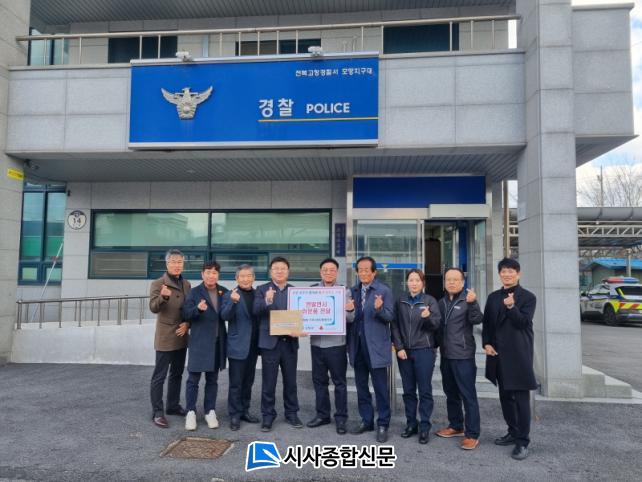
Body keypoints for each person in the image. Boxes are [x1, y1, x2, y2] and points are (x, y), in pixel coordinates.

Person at [482, 257, 537, 461]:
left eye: (511, 271)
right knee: (505, 396)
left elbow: (523, 323)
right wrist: (486, 343)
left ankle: (523, 441)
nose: (507, 274)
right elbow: (487, 324)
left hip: (518, 354)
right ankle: (512, 431)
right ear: (499, 274)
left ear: (518, 274)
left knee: (521, 400)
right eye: (503, 271)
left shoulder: (528, 297)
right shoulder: (493, 297)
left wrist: (512, 307)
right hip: (498, 354)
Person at [253, 256, 304, 432]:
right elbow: (256, 310)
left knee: (291, 382)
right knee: (269, 382)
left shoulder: (295, 291)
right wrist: (267, 300)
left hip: (289, 343)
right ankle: (268, 415)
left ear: (288, 271)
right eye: (276, 268)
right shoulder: (261, 289)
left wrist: (305, 327)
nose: (280, 271)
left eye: (283, 268)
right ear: (270, 272)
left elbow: (303, 314)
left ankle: (292, 413)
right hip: (270, 343)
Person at [435, 267, 483, 450]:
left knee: (468, 395)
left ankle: (472, 434)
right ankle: (456, 426)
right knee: (451, 393)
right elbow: (438, 327)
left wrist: (473, 303)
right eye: (448, 279)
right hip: (446, 355)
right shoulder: (441, 302)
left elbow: (477, 319)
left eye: (455, 279)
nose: (452, 282)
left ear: (462, 283)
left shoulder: (467, 299)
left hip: (463, 356)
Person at [391, 269, 441, 444]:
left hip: (424, 350)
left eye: (417, 280)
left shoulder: (430, 301)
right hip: (404, 351)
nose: (414, 283)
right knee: (408, 390)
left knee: (425, 390)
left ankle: (425, 426)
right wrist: (399, 347)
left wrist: (427, 317)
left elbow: (436, 325)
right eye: (411, 280)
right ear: (407, 282)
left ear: (422, 283)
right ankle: (411, 423)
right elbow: (395, 325)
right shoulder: (400, 300)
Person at [306, 258, 355, 435]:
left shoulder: (344, 291)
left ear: (337, 272)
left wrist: (349, 309)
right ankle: (322, 415)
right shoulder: (311, 291)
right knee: (319, 382)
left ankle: (341, 418)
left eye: (332, 270)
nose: (328, 273)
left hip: (336, 345)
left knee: (339, 383)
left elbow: (350, 319)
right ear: (321, 272)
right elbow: (303, 314)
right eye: (325, 270)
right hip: (317, 344)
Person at [348, 256, 395, 443]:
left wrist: (379, 309)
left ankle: (383, 423)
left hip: (376, 347)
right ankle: (366, 420)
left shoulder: (384, 290)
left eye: (367, 270)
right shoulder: (353, 290)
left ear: (374, 272)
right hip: (358, 345)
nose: (363, 273)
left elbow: (390, 317)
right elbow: (351, 318)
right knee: (361, 387)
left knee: (380, 388)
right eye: (360, 270)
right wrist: (349, 310)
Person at [181, 260, 228, 431]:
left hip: (217, 343)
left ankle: (210, 411)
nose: (211, 275)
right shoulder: (194, 292)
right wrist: (198, 309)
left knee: (212, 380)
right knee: (193, 380)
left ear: (218, 275)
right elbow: (185, 313)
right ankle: (190, 412)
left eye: (214, 272)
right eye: (208, 272)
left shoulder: (224, 292)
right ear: (202, 274)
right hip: (199, 342)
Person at [149, 249, 191, 428]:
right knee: (159, 376)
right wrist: (163, 298)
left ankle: (173, 406)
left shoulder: (187, 284)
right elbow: (153, 307)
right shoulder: (158, 283)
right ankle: (157, 412)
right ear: (167, 264)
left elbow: (189, 308)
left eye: (179, 262)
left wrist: (188, 323)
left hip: (181, 335)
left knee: (177, 373)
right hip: (166, 336)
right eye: (173, 262)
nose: (176, 265)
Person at [220, 264, 260, 431]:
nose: (245, 279)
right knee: (236, 383)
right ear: (236, 278)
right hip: (237, 345)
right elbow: (224, 316)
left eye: (248, 276)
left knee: (248, 381)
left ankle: (244, 410)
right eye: (242, 276)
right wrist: (233, 302)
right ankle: (234, 414)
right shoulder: (230, 295)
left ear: (253, 278)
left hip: (254, 345)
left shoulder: (259, 294)